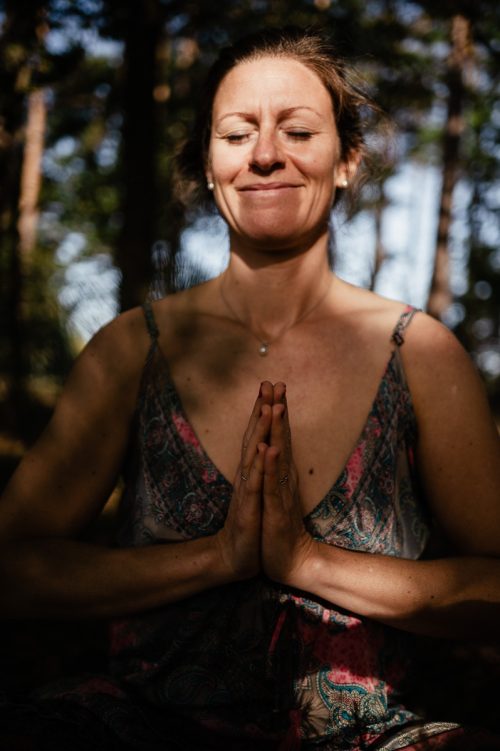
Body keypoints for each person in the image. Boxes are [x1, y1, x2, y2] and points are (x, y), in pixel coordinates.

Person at [1, 25, 500, 751]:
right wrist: (217, 557)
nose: (265, 154)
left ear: (347, 161)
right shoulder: (133, 350)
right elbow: (13, 568)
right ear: (210, 165)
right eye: (237, 134)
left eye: (298, 131)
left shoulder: (420, 353)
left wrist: (307, 561)